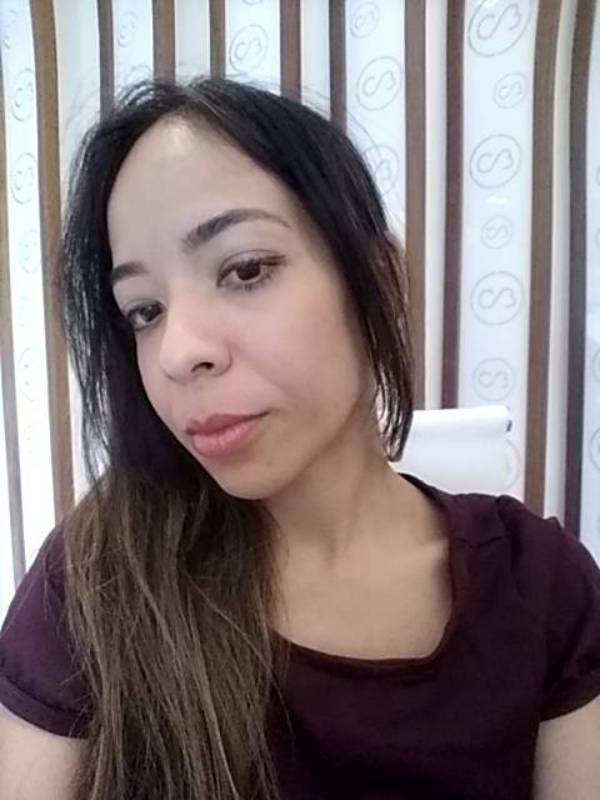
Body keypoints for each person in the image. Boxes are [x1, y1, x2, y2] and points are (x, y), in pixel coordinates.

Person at [0, 76, 599, 800]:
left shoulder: (543, 590)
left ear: (378, 282)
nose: (176, 352)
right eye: (144, 311)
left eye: (244, 269)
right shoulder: (95, 580)